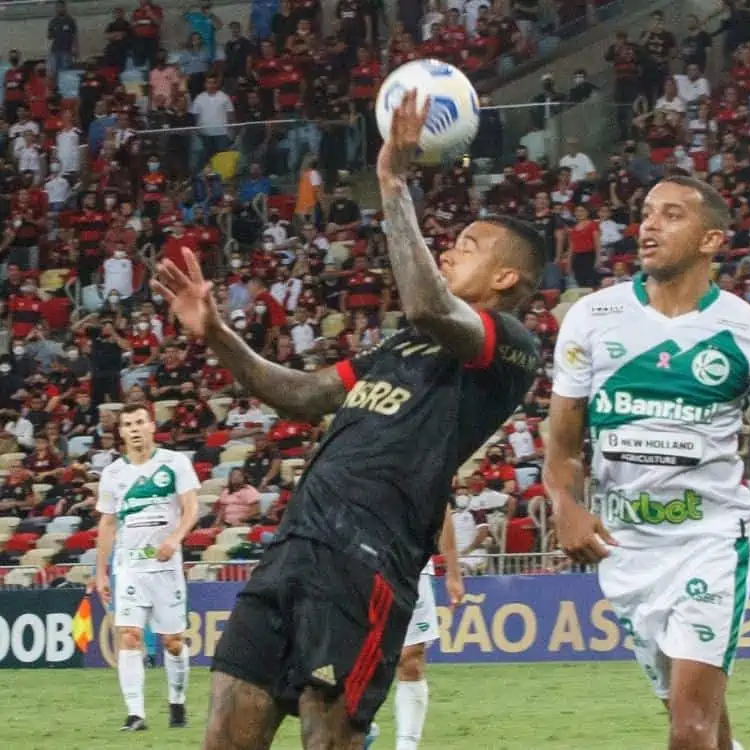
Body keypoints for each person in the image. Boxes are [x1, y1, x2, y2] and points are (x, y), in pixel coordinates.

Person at [151, 89, 543, 749]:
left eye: (468, 246)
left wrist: (392, 181)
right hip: (293, 547)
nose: (448, 251)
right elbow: (301, 395)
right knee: (223, 736)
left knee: (328, 740)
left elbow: (427, 305)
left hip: (366, 561)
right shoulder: (399, 347)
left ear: (505, 280)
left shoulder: (506, 346)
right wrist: (217, 334)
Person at [543, 176, 750, 750]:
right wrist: (565, 504)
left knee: (688, 733)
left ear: (710, 240)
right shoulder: (592, 319)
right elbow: (564, 447)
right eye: (646, 213)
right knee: (705, 728)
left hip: (710, 543)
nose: (648, 225)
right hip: (626, 552)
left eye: (671, 216)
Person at [93, 403, 201, 731]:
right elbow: (107, 525)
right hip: (129, 568)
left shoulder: (175, 463)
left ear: (152, 426)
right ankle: (136, 714)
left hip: (166, 569)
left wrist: (176, 539)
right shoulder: (113, 474)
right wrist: (100, 572)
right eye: (128, 424)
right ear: (122, 432)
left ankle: (177, 702)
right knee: (129, 637)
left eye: (141, 422)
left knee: (173, 642)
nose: (135, 429)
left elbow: (192, 508)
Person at [393, 513, 464, 750]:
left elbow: (442, 510)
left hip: (412, 561)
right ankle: (359, 724)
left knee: (411, 659)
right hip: (355, 562)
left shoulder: (424, 474)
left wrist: (453, 573)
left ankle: (406, 745)